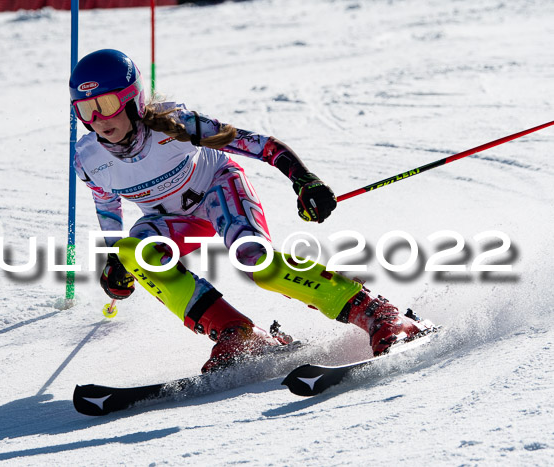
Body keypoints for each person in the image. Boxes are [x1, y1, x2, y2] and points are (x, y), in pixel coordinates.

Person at [70, 49, 434, 373]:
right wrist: (116, 261)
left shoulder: (174, 125)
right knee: (134, 251)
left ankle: (376, 312)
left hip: (217, 188)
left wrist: (304, 180)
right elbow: (107, 205)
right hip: (176, 221)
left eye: (106, 105)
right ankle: (240, 334)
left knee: (254, 260)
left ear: (133, 100)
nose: (99, 119)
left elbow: (257, 144)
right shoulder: (89, 158)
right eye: (86, 109)